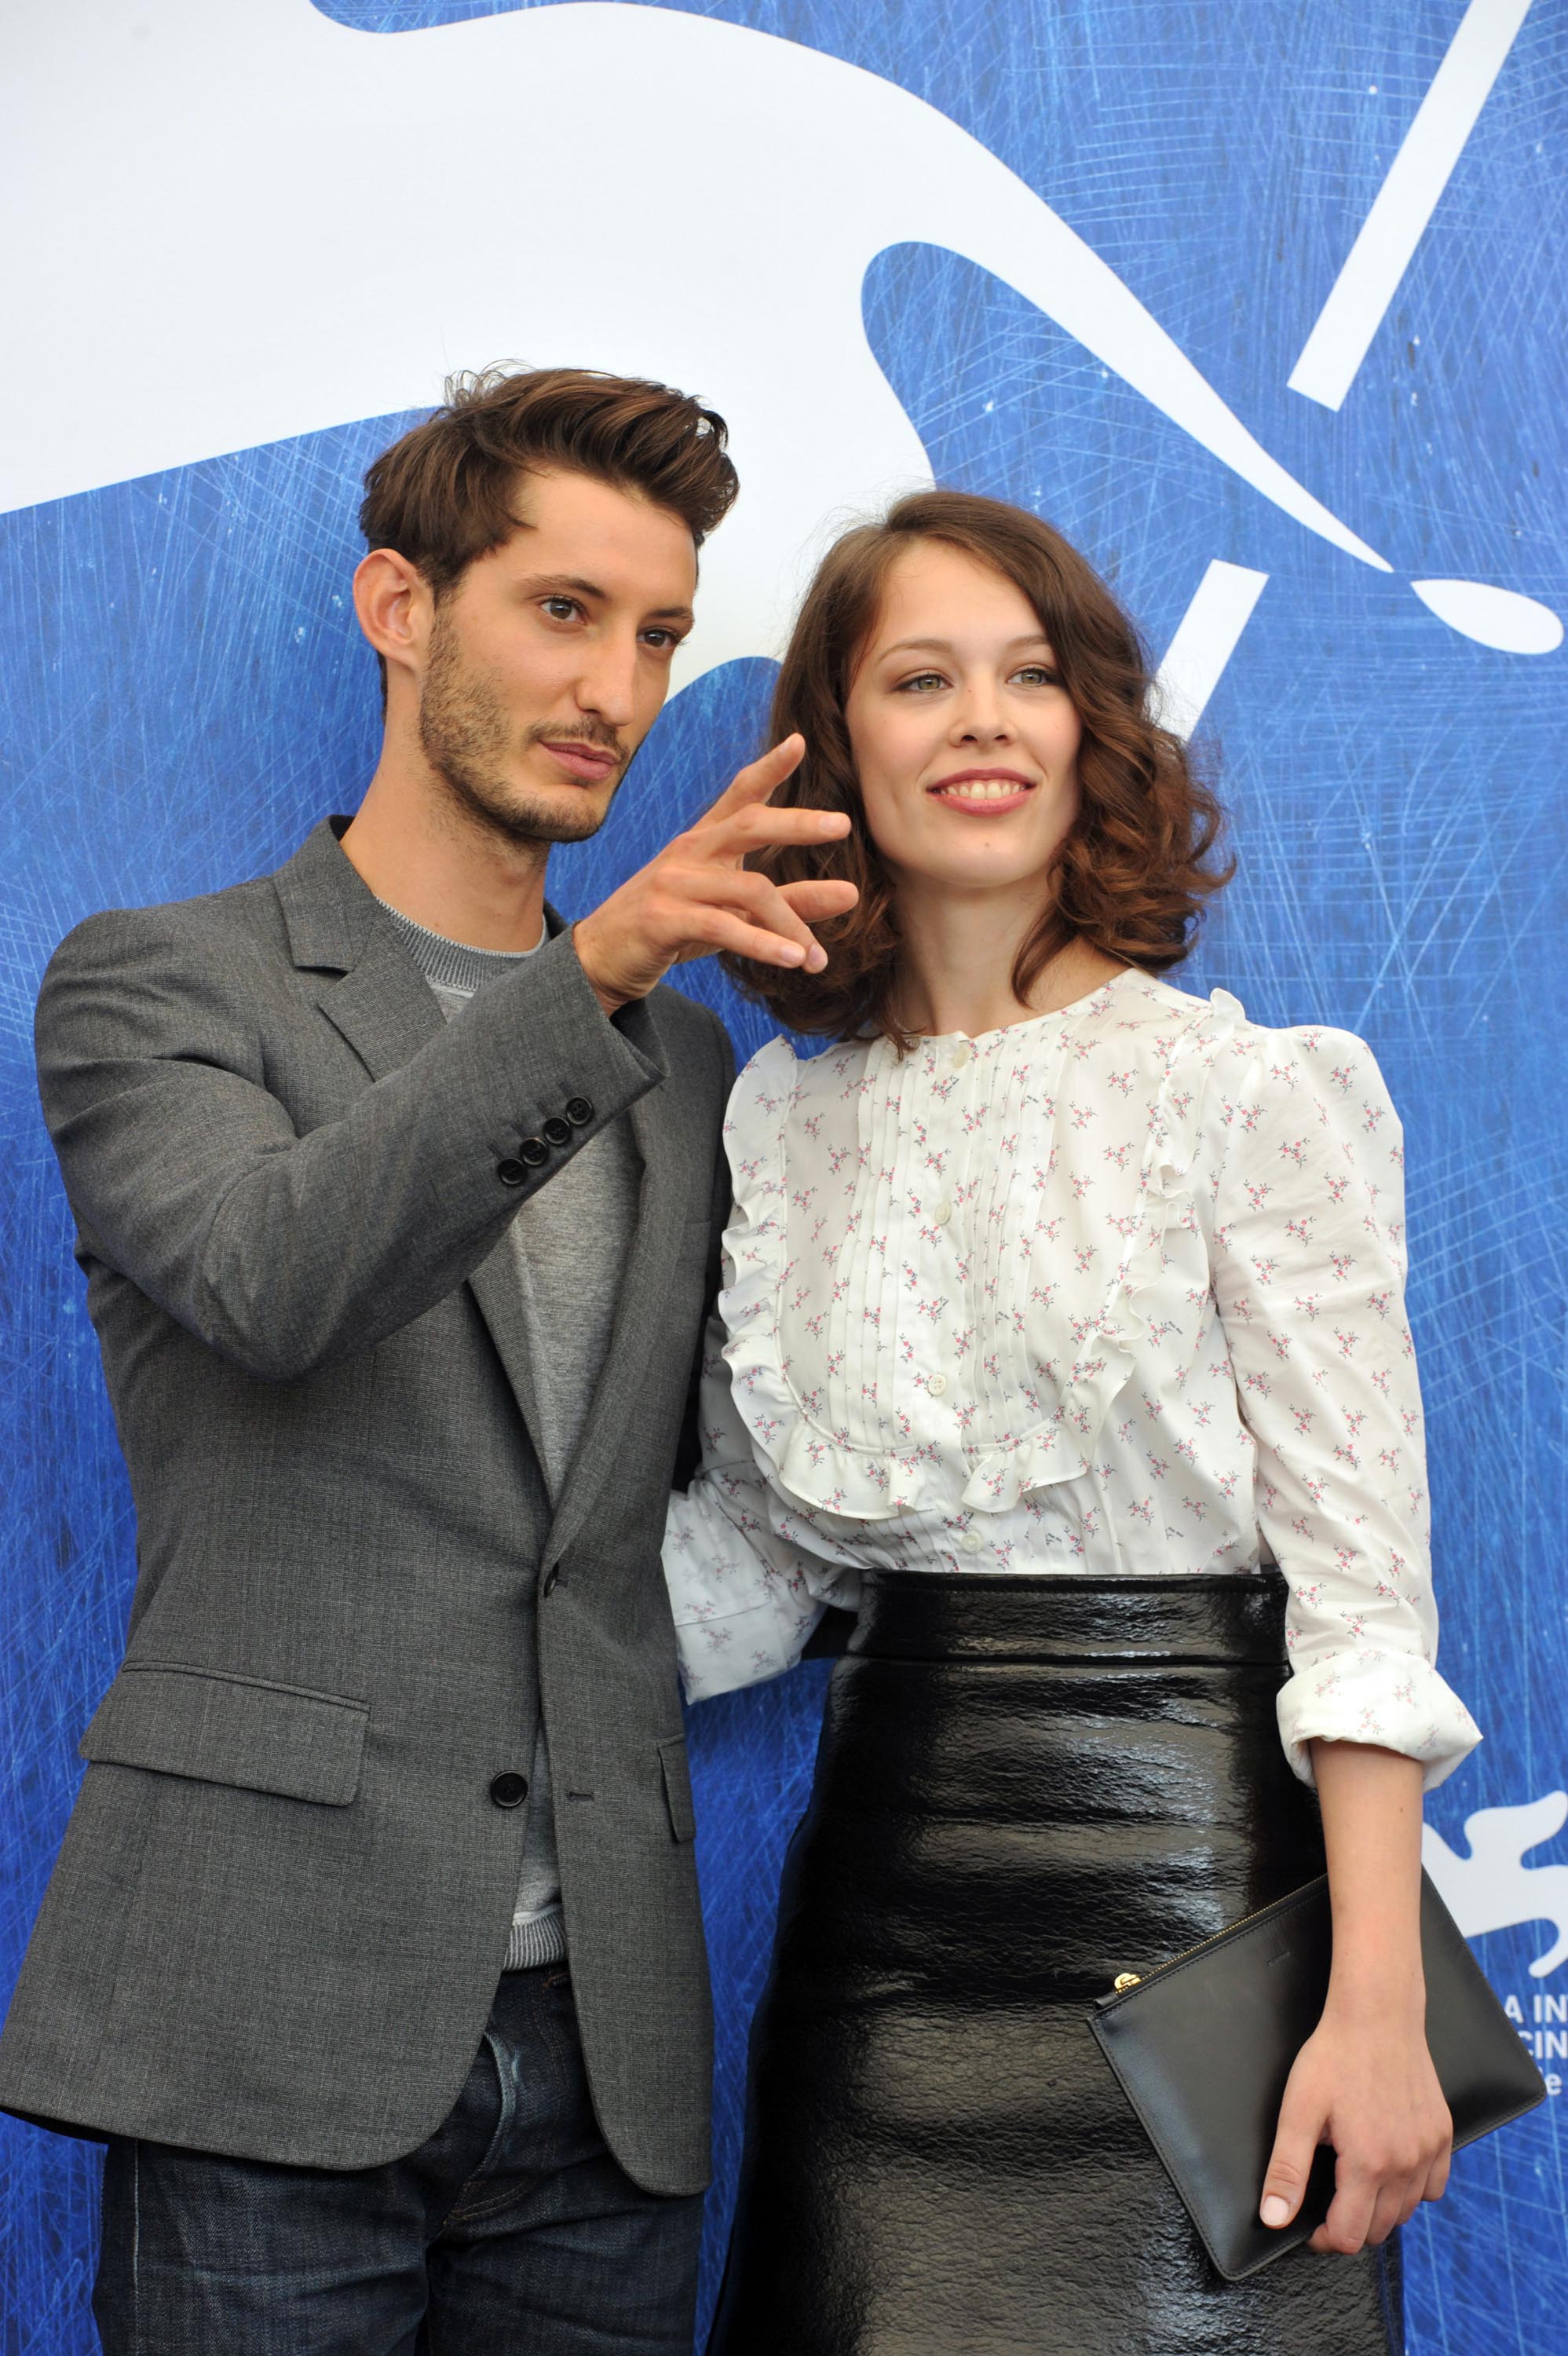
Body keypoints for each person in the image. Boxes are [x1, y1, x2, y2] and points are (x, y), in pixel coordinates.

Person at [1, 364, 856, 2356]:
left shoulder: (689, 1067)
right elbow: (275, 1277)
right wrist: (604, 971)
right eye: (562, 613)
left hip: (608, 2059)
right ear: (402, 610)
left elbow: (728, 1489)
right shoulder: (160, 982)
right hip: (264, 2020)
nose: (621, 694)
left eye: (657, 636)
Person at [663, 489, 1481, 2355]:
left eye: (1030, 677)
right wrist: (438, 1591)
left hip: (1208, 1909)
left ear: (1092, 733)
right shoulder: (777, 1122)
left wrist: (1374, 2007)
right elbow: (762, 1567)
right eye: (921, 677)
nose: (981, 719)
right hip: (885, 1938)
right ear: (832, 743)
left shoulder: (1256, 1097)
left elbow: (1362, 1606)